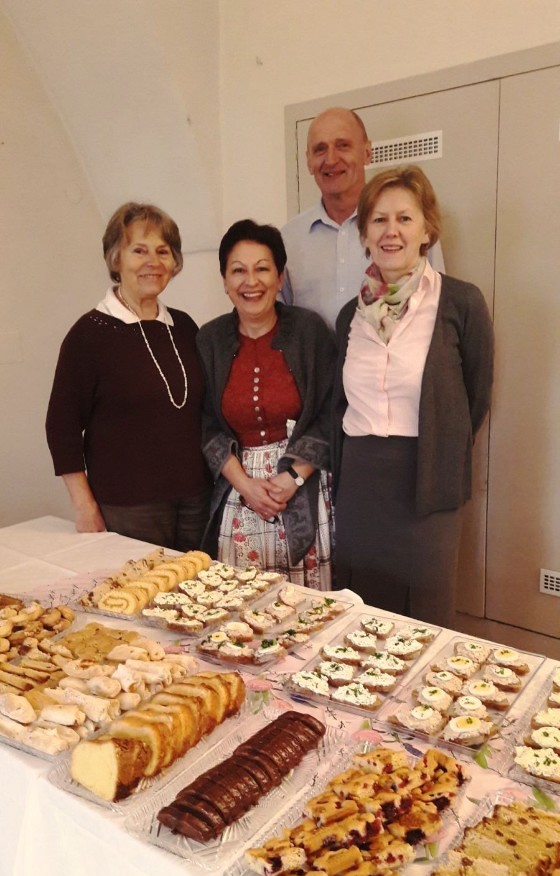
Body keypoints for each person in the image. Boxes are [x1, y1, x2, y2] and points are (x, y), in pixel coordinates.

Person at [332, 166, 494, 627]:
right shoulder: (349, 316)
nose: (392, 231)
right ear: (365, 233)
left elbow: (474, 398)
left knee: (425, 617)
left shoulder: (461, 302)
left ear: (427, 230)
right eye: (379, 220)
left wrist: (442, 444)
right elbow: (338, 404)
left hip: (428, 479)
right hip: (360, 483)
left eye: (404, 218)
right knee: (360, 615)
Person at [46, 202, 210, 549]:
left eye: (162, 251)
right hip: (128, 507)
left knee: (198, 584)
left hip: (196, 500)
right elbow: (61, 426)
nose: (153, 261)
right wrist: (83, 504)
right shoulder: (90, 334)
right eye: (139, 250)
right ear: (116, 259)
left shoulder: (184, 326)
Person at [197, 219, 335, 589]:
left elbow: (330, 412)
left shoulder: (310, 331)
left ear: (280, 276)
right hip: (239, 491)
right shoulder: (209, 340)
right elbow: (205, 423)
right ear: (225, 281)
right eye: (238, 270)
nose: (251, 281)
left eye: (262, 269)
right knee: (240, 601)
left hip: (302, 487)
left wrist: (294, 477)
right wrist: (245, 485)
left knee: (308, 607)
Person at [281, 107, 444, 330]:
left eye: (343, 145)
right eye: (320, 149)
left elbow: (439, 311)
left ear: (367, 152)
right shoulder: (289, 239)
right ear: (309, 161)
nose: (331, 159)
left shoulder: (410, 230)